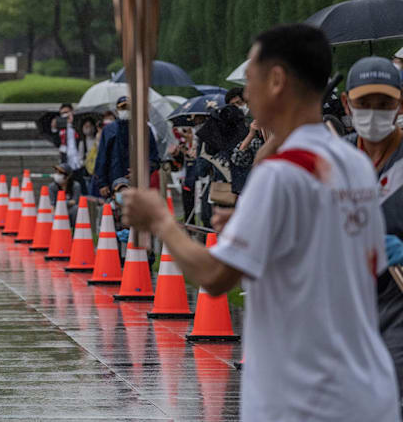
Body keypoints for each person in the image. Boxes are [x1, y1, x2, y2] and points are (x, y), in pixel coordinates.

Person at [123, 24, 399, 421]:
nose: (245, 92)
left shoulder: (281, 176)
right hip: (367, 390)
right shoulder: (353, 162)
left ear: (276, 80)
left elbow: (216, 277)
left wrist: (162, 221)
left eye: (250, 76)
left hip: (304, 398)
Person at [340, 56, 403, 409]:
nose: (374, 113)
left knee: (382, 394)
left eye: (385, 104)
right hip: (344, 302)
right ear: (347, 102)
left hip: (397, 301)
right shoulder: (336, 156)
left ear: (400, 103)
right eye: (365, 104)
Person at [93, 96, 160, 198]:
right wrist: (102, 183)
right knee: (115, 210)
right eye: (122, 108)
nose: (126, 111)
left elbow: (154, 158)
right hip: (114, 181)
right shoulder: (109, 130)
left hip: (138, 183)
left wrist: (141, 170)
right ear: (117, 110)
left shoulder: (144, 129)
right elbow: (102, 158)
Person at [48, 162, 82, 227]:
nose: (57, 175)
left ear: (68, 176)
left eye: (60, 173)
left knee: (76, 209)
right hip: (57, 210)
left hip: (70, 210)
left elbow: (75, 201)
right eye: (56, 172)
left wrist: (60, 203)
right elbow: (52, 204)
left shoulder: (75, 186)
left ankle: (75, 230)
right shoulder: (52, 187)